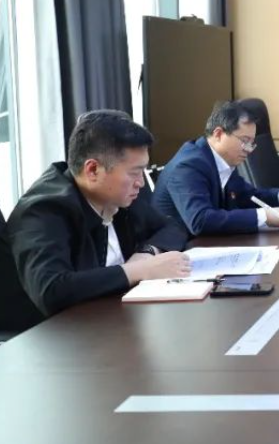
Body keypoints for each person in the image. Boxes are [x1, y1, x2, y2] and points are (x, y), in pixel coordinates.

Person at [0, 110, 190, 335]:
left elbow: (173, 226)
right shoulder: (43, 212)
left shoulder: (115, 195)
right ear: (92, 170)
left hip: (111, 323)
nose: (141, 182)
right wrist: (139, 270)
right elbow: (51, 290)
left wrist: (147, 253)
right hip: (50, 339)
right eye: (135, 173)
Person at [153, 100, 279, 236]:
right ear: (218, 134)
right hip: (175, 250)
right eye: (244, 141)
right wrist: (264, 216)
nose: (249, 149)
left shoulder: (221, 159)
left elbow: (248, 196)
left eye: (251, 143)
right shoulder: (189, 165)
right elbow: (200, 220)